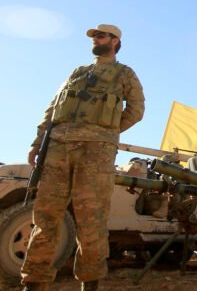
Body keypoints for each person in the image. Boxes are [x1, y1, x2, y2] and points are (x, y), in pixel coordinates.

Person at [22, 24, 145, 291]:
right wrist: (37, 141)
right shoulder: (78, 72)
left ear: (114, 41)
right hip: (57, 149)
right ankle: (34, 282)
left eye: (101, 36)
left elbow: (136, 110)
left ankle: (90, 283)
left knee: (91, 220)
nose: (95, 40)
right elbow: (53, 108)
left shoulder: (125, 74)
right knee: (45, 218)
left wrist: (107, 131)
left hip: (96, 152)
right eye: (94, 36)